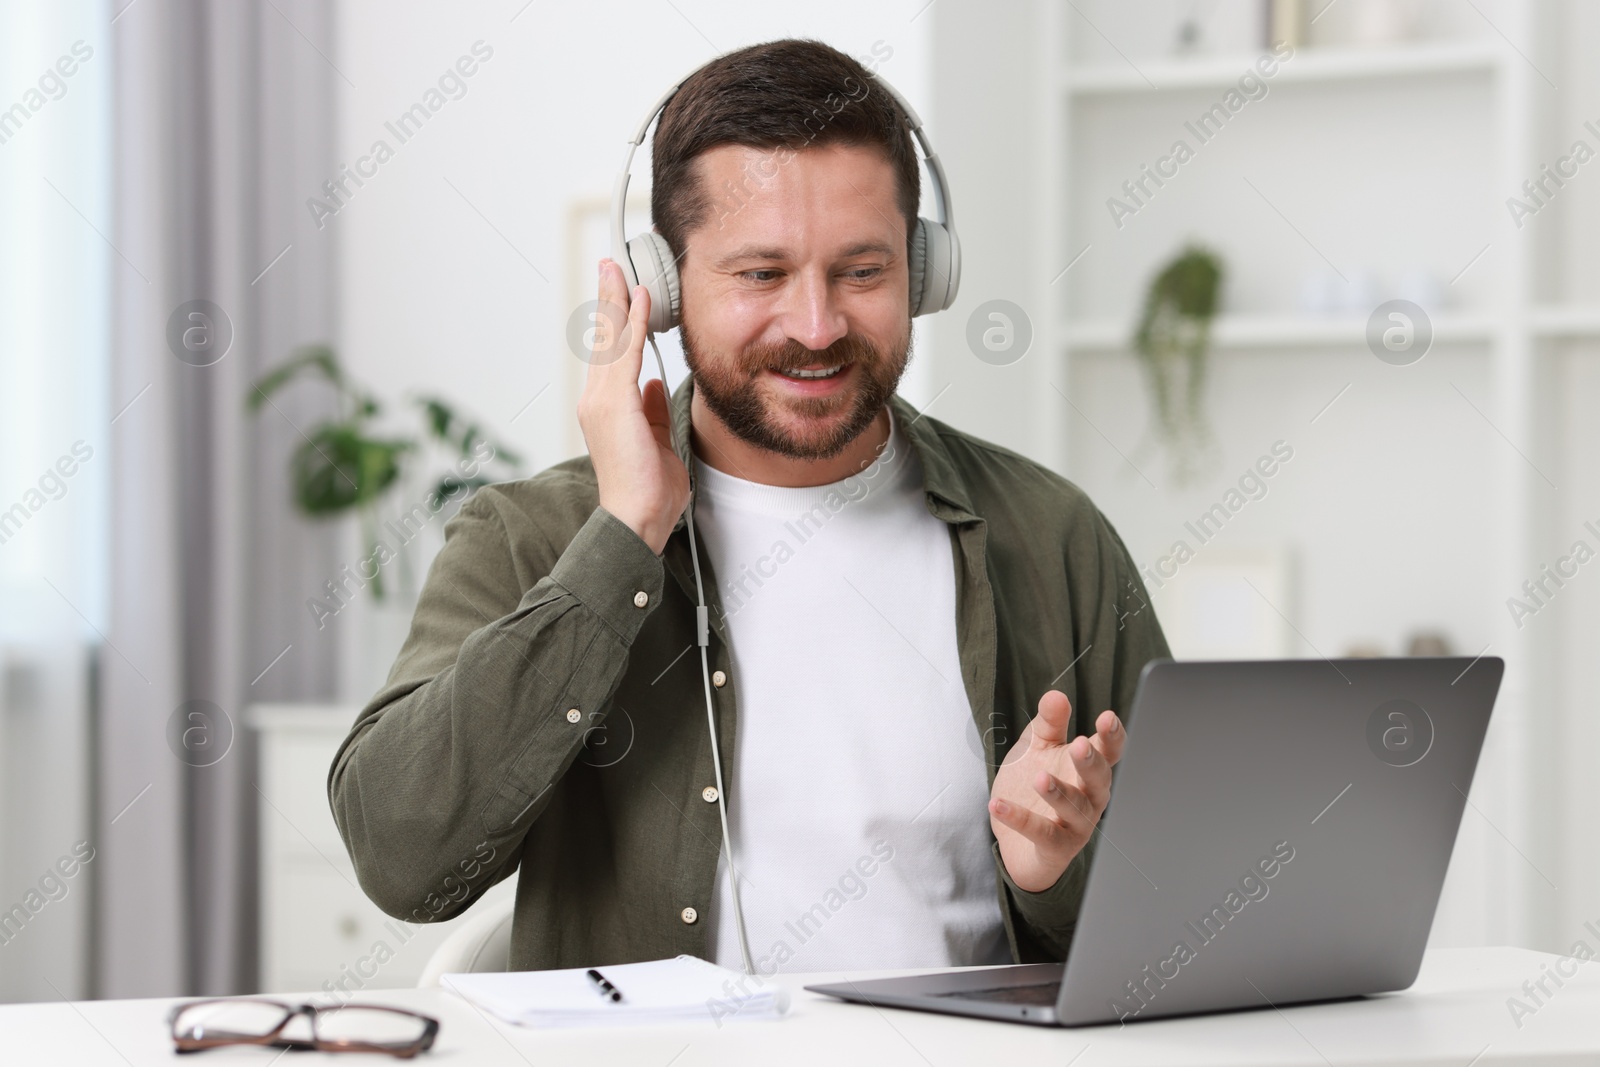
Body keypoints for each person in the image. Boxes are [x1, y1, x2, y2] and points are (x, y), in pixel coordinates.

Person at [329, 38, 1169, 977]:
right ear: (661, 291)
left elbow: (1191, 912)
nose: (816, 327)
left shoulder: (1052, 536)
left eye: (862, 271)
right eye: (760, 274)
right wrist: (623, 538)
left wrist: (1054, 871)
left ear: (925, 275)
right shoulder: (535, 534)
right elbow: (401, 861)